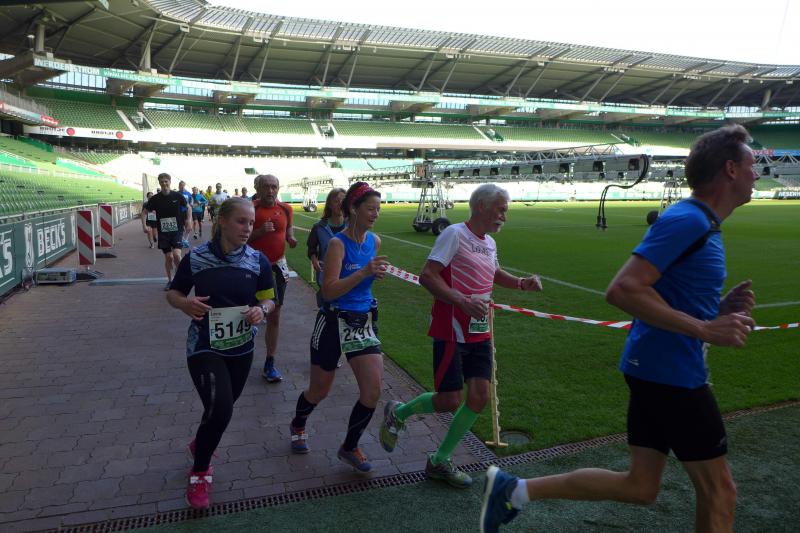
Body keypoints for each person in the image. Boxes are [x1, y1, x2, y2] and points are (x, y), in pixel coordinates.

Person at [479, 125, 758, 533]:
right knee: (720, 493)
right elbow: (624, 289)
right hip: (673, 375)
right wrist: (705, 328)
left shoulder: (700, 222)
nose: (757, 173)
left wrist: (715, 310)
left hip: (653, 368)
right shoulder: (689, 220)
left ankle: (513, 490)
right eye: (752, 164)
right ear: (731, 169)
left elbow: (661, 296)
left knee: (640, 485)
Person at [379, 184, 543, 488]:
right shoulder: (454, 234)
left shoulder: (489, 242)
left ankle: (439, 461)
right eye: (501, 209)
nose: (504, 216)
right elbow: (428, 275)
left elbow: (495, 272)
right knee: (450, 400)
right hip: (451, 329)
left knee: (479, 398)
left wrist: (521, 283)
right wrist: (463, 301)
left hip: (479, 331)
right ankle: (398, 412)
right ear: (481, 206)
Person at [166, 197, 277, 510]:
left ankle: (201, 442)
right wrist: (184, 303)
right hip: (203, 345)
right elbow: (173, 293)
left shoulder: (258, 260)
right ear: (222, 221)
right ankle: (200, 472)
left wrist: (262, 310)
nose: (248, 228)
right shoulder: (197, 257)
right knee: (221, 409)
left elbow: (269, 299)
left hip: (242, 348)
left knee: (220, 407)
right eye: (241, 221)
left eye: (251, 223)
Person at [288, 181, 387, 472]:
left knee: (372, 391)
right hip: (332, 320)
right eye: (371, 209)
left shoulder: (374, 241)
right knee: (319, 390)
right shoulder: (337, 244)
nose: (376, 214)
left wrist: (374, 274)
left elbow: (364, 279)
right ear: (354, 209)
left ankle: (350, 446)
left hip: (361, 321)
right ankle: (298, 424)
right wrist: (365, 272)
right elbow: (329, 290)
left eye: (378, 209)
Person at [248, 174, 298, 383]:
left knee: (274, 315)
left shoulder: (286, 209)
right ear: (258, 188)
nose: (270, 191)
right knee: (245, 312)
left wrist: (290, 237)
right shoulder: (250, 208)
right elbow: (238, 239)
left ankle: (270, 361)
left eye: (274, 187)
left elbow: (288, 228)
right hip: (251, 268)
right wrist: (259, 231)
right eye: (266, 186)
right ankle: (236, 356)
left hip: (276, 267)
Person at [141, 173, 191, 290]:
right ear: (159, 183)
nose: (164, 183)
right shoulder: (155, 199)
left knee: (176, 255)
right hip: (163, 232)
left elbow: (188, 207)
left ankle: (179, 278)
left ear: (170, 182)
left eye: (166, 181)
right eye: (162, 182)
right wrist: (144, 226)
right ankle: (170, 280)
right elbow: (144, 213)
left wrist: (188, 220)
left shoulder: (177, 196)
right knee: (169, 257)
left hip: (177, 230)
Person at [307, 188, 347, 307]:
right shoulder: (319, 227)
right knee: (327, 309)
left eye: (343, 201)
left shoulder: (352, 226)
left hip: (348, 274)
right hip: (325, 276)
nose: (340, 204)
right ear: (329, 204)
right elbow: (311, 248)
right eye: (336, 201)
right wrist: (314, 260)